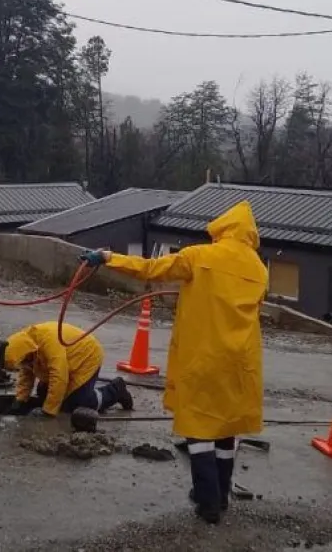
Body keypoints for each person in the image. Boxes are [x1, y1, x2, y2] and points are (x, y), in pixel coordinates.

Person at [80, 201, 268, 525]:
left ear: (221, 230)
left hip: (204, 357)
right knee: (225, 429)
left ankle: (207, 503)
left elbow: (151, 269)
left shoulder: (200, 257)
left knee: (197, 429)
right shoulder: (259, 269)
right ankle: (221, 496)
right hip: (240, 362)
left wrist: (109, 258)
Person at [3, 321, 134, 418]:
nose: (25, 364)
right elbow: (27, 373)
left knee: (78, 404)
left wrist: (48, 412)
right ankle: (84, 389)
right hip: (69, 360)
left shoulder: (49, 342)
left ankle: (116, 390)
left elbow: (59, 377)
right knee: (44, 392)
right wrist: (20, 399)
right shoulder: (25, 347)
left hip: (87, 357)